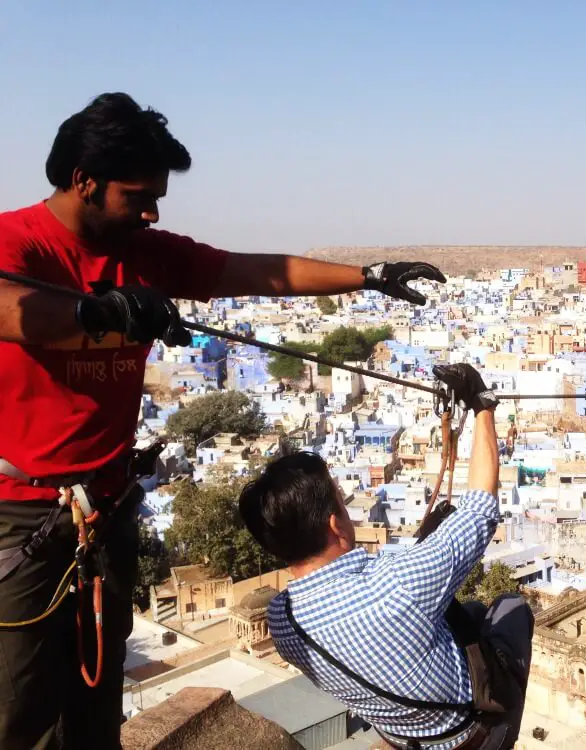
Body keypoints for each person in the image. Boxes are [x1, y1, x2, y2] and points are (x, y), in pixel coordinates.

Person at [0, 92, 446, 750]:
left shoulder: (144, 250)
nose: (151, 212)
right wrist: (97, 313)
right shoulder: (18, 242)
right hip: (21, 514)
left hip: (106, 508)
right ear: (83, 183)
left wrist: (368, 276)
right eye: (137, 196)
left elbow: (254, 272)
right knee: (19, 701)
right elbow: (9, 309)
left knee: (97, 692)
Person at [239, 364, 535, 750]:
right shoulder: (399, 582)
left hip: (402, 737)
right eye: (342, 503)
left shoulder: (282, 621)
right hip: (472, 735)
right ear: (336, 525)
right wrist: (482, 406)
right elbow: (480, 508)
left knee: (474, 611)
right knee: (512, 606)